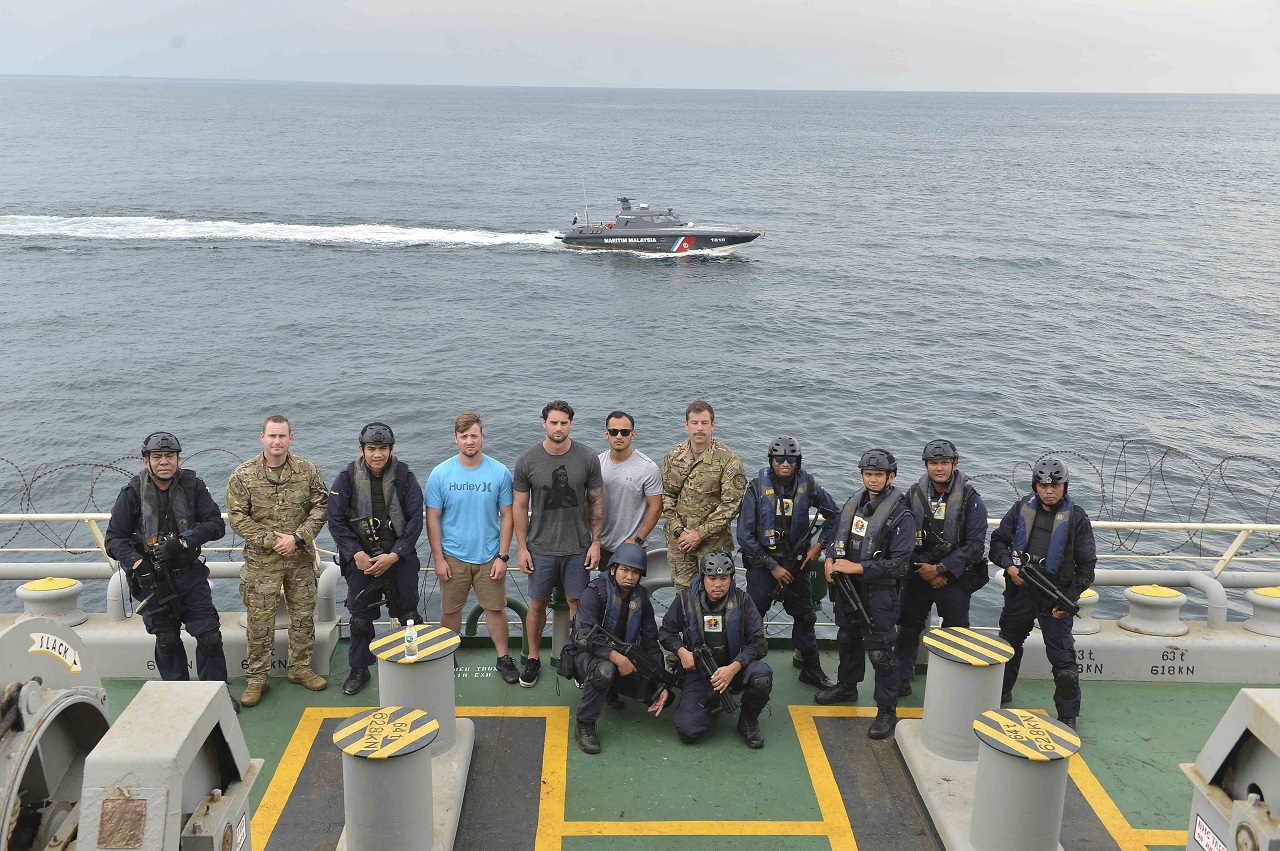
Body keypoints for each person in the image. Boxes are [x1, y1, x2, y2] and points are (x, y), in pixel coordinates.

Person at [105, 432, 235, 706]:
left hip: (189, 577)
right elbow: (114, 538)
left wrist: (183, 542)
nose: (164, 462)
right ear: (146, 460)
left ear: (178, 458)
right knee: (167, 640)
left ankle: (216, 697)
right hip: (152, 582)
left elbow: (215, 524)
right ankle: (179, 699)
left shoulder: (193, 486)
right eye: (157, 457)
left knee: (210, 638)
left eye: (170, 456)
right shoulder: (131, 493)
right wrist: (138, 563)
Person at [226, 414, 330, 707]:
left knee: (302, 617)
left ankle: (300, 668)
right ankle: (257, 678)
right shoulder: (243, 475)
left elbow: (321, 507)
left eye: (282, 436)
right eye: (272, 436)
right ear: (262, 438)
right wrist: (273, 540)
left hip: (298, 558)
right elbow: (237, 517)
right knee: (259, 622)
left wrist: (296, 538)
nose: (277, 441)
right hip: (262, 562)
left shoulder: (307, 471)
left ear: (290, 438)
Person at [988, 456, 1096, 730]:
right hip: (1021, 590)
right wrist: (1010, 567)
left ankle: (1068, 714)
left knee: (1063, 661)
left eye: (1055, 485)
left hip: (1055, 593)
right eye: (1043, 485)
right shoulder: (1020, 509)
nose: (1049, 490)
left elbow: (1086, 565)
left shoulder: (1077, 518)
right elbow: (998, 542)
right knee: (1008, 644)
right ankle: (1001, 692)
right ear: (1035, 486)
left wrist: (1070, 599)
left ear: (1064, 486)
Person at [816, 449, 916, 741]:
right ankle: (847, 686)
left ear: (891, 477)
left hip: (879, 594)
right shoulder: (854, 503)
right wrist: (832, 558)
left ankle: (887, 709)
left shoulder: (902, 515)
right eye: (868, 474)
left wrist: (858, 567)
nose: (872, 479)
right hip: (847, 588)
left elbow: (900, 565)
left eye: (878, 475)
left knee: (881, 654)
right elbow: (838, 535)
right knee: (847, 638)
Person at [328, 422, 425, 695]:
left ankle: (414, 661)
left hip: (398, 556)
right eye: (372, 448)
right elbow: (335, 521)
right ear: (362, 449)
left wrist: (395, 555)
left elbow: (415, 520)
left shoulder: (406, 477)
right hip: (361, 558)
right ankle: (359, 668)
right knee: (359, 619)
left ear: (391, 449)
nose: (377, 454)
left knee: (408, 615)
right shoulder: (346, 478)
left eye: (383, 448)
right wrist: (355, 554)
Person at [513, 400, 604, 688]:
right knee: (537, 604)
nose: (558, 428)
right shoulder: (527, 461)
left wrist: (595, 542)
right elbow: (518, 507)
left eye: (564, 423)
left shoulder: (588, 458)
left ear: (571, 424)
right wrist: (522, 547)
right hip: (540, 547)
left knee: (579, 604)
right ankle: (533, 658)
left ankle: (577, 659)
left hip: (578, 547)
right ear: (544, 423)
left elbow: (597, 503)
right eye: (553, 422)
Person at [737, 436, 840, 691]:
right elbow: (744, 535)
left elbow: (836, 515)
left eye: (791, 459)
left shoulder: (809, 485)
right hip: (763, 565)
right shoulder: (754, 488)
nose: (785, 463)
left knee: (805, 617)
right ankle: (744, 668)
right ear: (771, 461)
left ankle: (811, 668)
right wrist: (771, 565)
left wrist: (820, 546)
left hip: (797, 565)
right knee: (752, 618)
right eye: (779, 458)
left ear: (798, 461)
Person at [425, 411, 518, 685]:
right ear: (455, 438)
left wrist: (502, 556)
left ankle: (503, 658)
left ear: (482, 437)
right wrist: (439, 559)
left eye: (474, 436)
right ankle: (446, 655)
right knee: (451, 610)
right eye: (464, 436)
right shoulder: (440, 474)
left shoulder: (499, 472)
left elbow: (508, 515)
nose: (469, 441)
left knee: (495, 609)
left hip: (490, 556)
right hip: (453, 556)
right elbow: (433, 518)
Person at [895, 439, 990, 697]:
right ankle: (901, 679)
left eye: (944, 463)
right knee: (908, 628)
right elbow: (901, 537)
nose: (939, 468)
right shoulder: (912, 494)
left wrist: (940, 570)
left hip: (954, 579)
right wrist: (924, 569)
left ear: (954, 464)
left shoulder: (971, 500)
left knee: (956, 630)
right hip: (918, 575)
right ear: (926, 465)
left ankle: (953, 682)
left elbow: (975, 546)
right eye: (934, 463)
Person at [561, 543, 672, 754]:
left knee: (659, 695)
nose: (629, 576)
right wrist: (614, 656)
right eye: (625, 570)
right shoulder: (595, 593)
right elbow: (582, 634)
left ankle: (611, 689)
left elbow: (650, 642)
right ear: (613, 569)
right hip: (586, 656)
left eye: (635, 572)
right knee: (605, 670)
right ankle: (584, 724)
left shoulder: (642, 601)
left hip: (625, 657)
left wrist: (660, 681)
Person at [659, 550, 772, 748]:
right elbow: (666, 633)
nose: (718, 584)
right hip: (699, 672)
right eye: (712, 578)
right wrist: (681, 651)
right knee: (687, 731)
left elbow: (758, 643)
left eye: (723, 578)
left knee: (762, 677)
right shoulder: (685, 601)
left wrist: (734, 667)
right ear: (703, 578)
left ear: (731, 578)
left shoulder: (743, 601)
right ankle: (714, 704)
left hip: (734, 667)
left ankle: (748, 720)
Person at [661, 401, 746, 590]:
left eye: (704, 423)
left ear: (712, 425)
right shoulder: (674, 457)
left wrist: (699, 534)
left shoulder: (728, 460)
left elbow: (731, 504)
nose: (699, 428)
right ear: (686, 425)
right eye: (694, 423)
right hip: (680, 544)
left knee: (716, 597)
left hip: (713, 543)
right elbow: (667, 496)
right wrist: (678, 531)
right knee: (684, 597)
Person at [598, 410, 662, 568]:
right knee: (602, 590)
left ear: (633, 435)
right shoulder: (596, 463)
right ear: (607, 434)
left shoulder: (648, 468)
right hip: (600, 545)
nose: (619, 436)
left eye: (624, 432)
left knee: (631, 590)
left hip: (632, 548)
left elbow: (656, 507)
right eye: (614, 431)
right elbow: (587, 502)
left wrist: (637, 540)